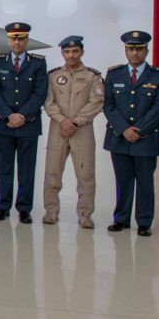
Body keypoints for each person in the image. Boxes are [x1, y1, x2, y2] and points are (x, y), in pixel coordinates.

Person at [103, 30, 159, 237]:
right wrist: (124, 129)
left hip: (146, 138)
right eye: (131, 49)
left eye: (139, 49)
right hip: (119, 137)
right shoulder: (114, 74)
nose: (135, 53)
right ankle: (121, 218)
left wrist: (138, 130)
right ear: (125, 50)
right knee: (122, 180)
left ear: (146, 50)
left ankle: (144, 221)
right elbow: (109, 105)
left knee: (145, 182)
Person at [41, 36, 104, 228]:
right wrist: (63, 120)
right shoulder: (53, 76)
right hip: (58, 129)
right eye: (67, 52)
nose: (71, 55)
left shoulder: (92, 76)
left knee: (86, 175)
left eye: (75, 51)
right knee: (52, 173)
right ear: (62, 53)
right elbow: (48, 102)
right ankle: (51, 211)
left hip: (82, 130)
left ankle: (85, 214)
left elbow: (97, 102)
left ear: (81, 52)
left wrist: (75, 122)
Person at [0, 22, 47, 224]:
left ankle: (24, 208)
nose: (17, 42)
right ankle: (3, 206)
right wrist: (9, 115)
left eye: (21, 38)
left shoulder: (38, 63)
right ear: (8, 40)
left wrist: (21, 115)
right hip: (4, 124)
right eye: (14, 38)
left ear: (27, 40)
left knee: (27, 169)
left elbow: (40, 93)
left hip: (28, 124)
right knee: (4, 168)